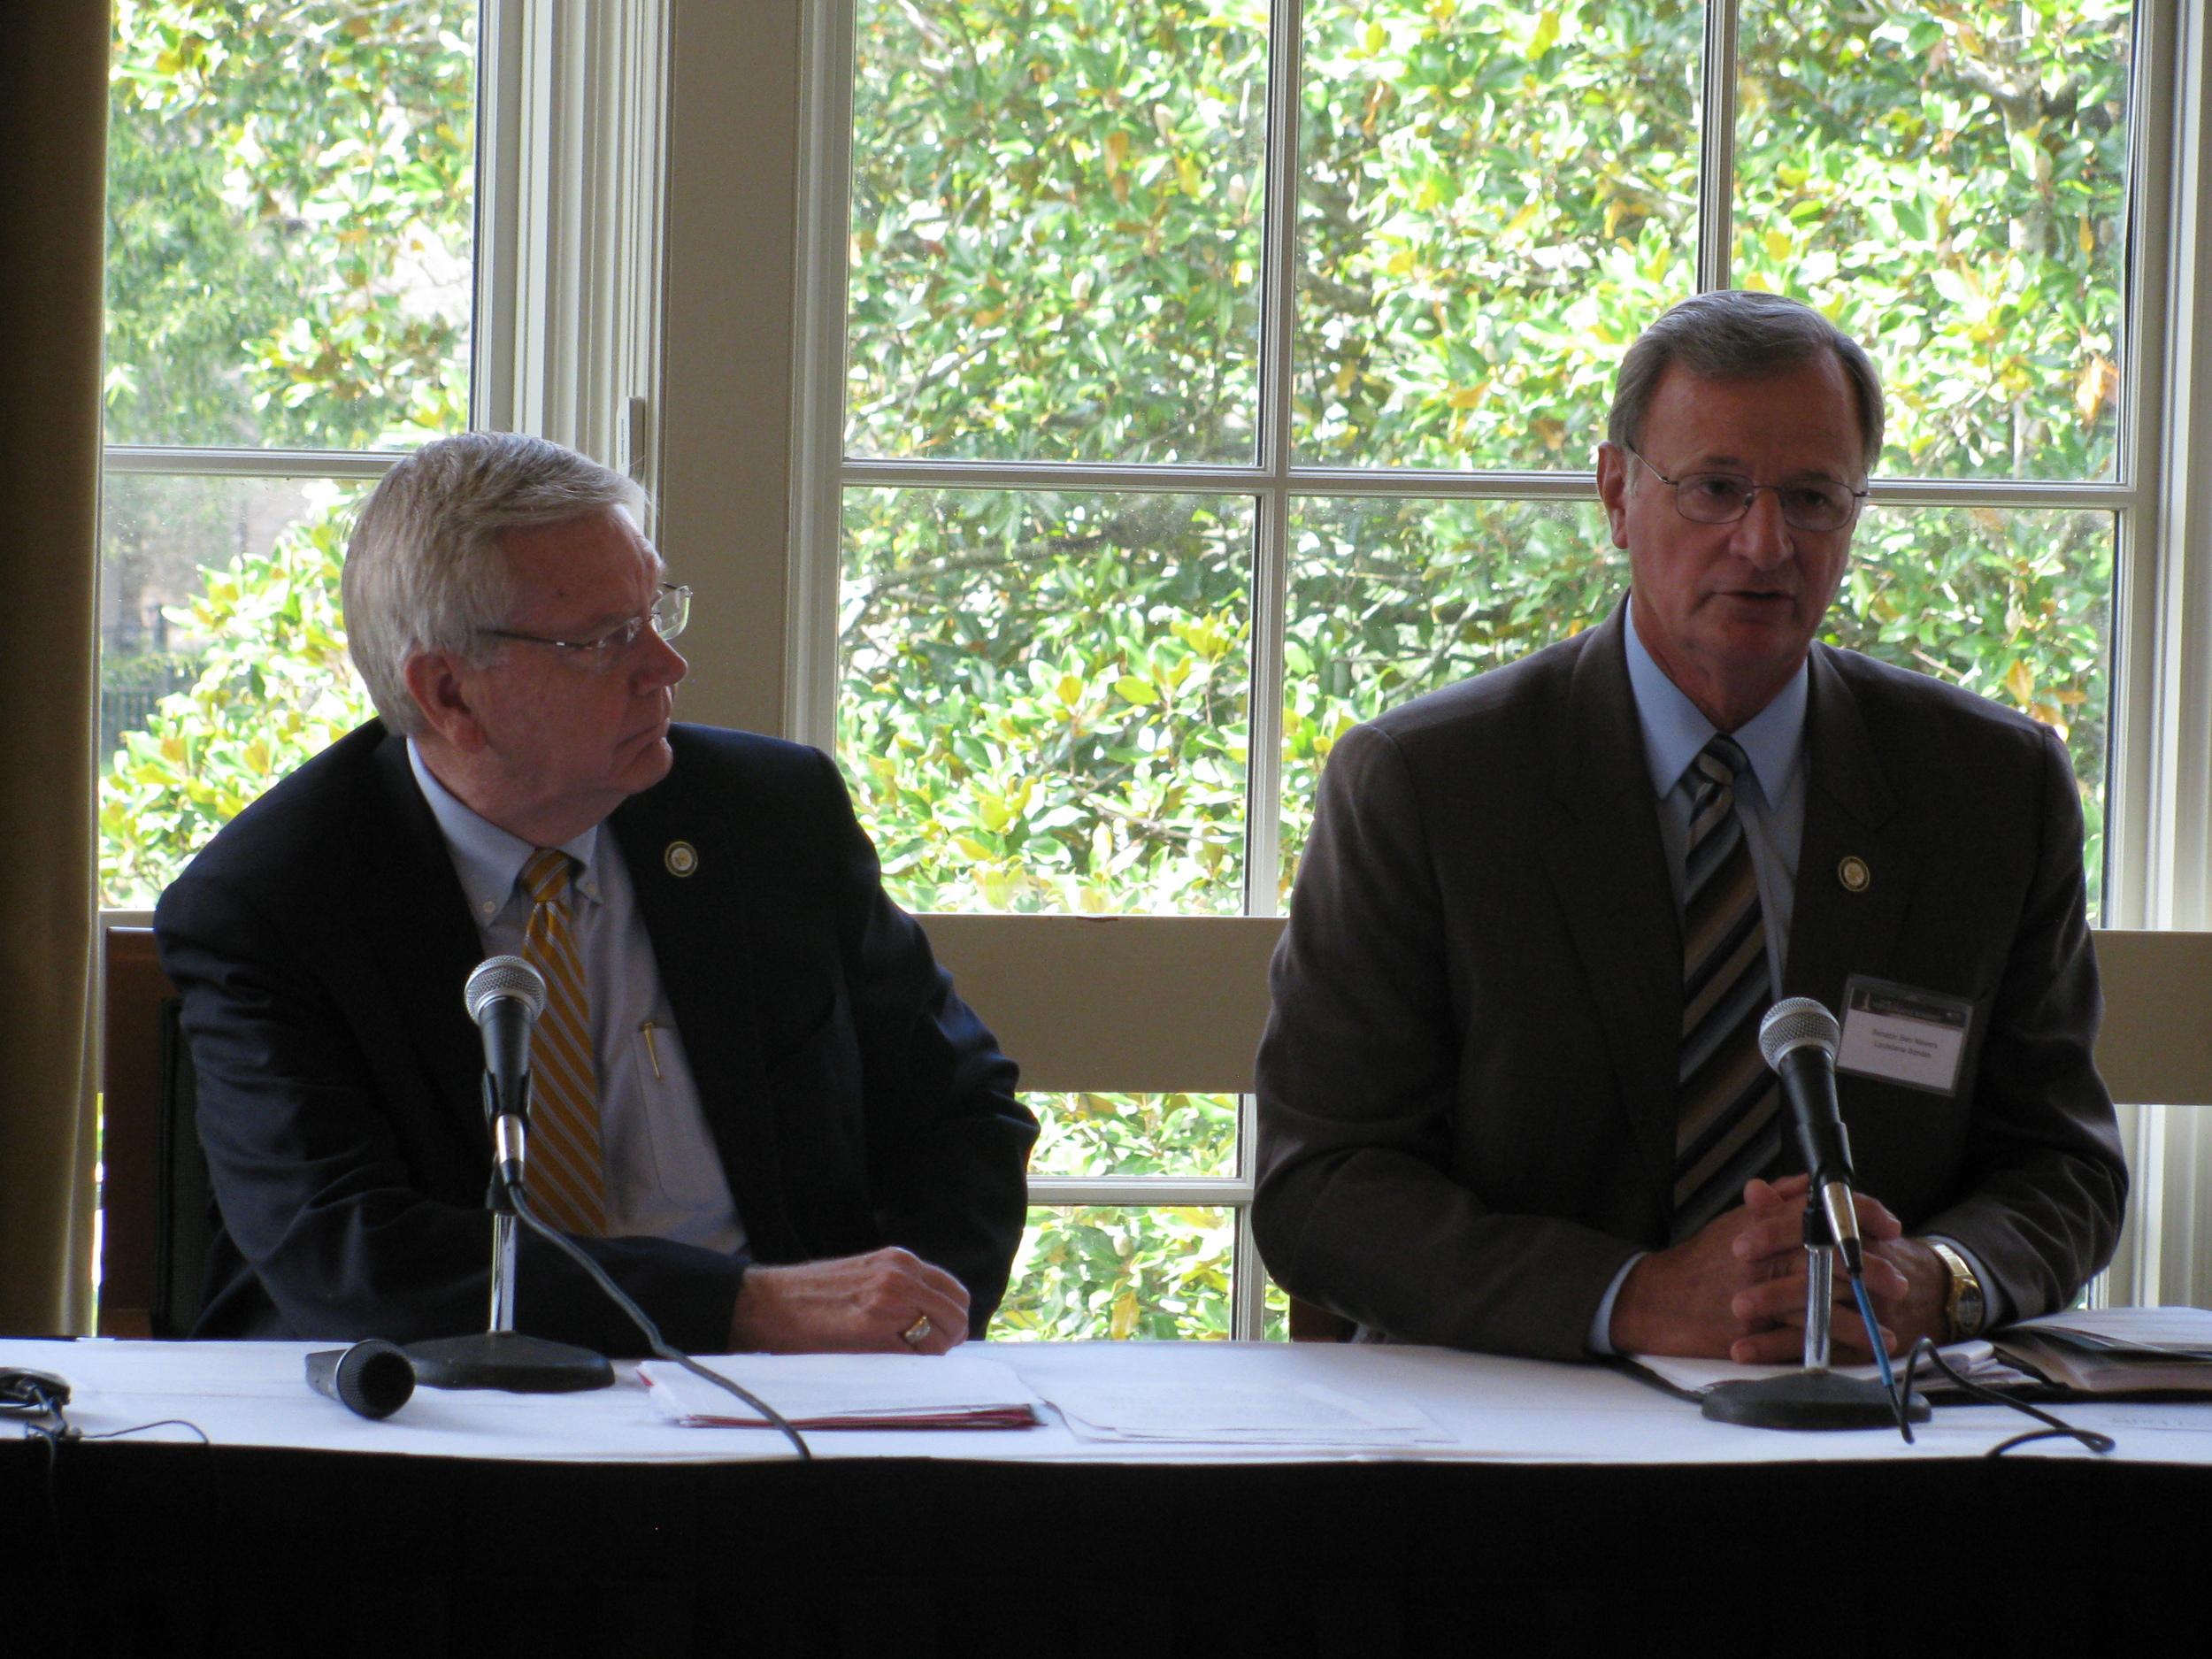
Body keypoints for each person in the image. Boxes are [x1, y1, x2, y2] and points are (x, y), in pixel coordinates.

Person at [1254, 290, 2126, 1364]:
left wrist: (1935, 1283)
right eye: (1714, 488)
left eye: (1811, 498)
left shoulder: (1991, 791)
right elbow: (1322, 1188)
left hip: (1873, 1439)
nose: (1763, 544)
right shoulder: (1428, 786)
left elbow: (2063, 1166)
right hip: (1519, 1435)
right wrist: (1632, 1299)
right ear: (1618, 493)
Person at [157, 432, 1036, 1357]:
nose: (666, 665)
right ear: (449, 691)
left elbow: (963, 1113)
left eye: (656, 613)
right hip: (440, 1417)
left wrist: (914, 1319)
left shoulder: (771, 819)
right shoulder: (274, 901)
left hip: (798, 1404)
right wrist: (744, 1307)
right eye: (607, 639)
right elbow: (350, 1254)